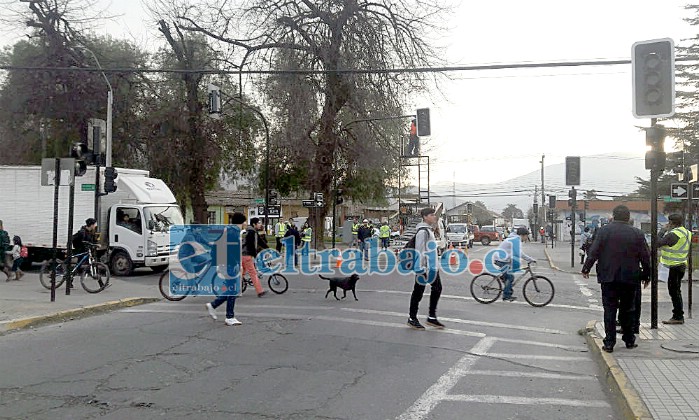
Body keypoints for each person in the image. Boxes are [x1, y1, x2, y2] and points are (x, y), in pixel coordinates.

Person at [581, 205, 650, 353]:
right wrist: (646, 275)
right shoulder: (637, 233)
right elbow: (645, 256)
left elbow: (594, 251)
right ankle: (629, 340)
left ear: (613, 216)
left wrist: (586, 268)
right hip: (630, 278)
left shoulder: (603, 231)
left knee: (609, 309)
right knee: (628, 309)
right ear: (628, 217)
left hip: (608, 277)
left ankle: (609, 343)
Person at [407, 207, 445, 330]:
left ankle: (432, 317)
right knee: (418, 292)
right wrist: (422, 269)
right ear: (425, 217)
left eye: (434, 215)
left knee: (437, 288)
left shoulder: (429, 230)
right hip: (423, 268)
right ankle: (412, 318)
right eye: (432, 215)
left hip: (432, 267)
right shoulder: (423, 232)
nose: (434, 217)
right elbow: (420, 251)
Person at [206, 212, 245, 326]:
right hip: (229, 264)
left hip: (226, 262)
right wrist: (237, 264)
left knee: (231, 289)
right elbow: (232, 250)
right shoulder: (233, 232)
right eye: (244, 221)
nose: (245, 224)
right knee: (233, 289)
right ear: (241, 222)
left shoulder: (229, 230)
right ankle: (229, 316)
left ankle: (214, 305)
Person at [658, 213, 692, 325]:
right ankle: (678, 315)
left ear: (671, 223)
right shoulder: (686, 232)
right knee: (676, 291)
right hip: (681, 264)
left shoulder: (674, 234)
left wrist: (662, 231)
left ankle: (678, 316)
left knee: (674, 291)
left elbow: (657, 242)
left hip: (673, 266)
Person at [494, 227, 536, 302]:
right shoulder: (516, 240)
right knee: (510, 277)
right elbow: (519, 253)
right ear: (522, 235)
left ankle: (504, 278)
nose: (527, 238)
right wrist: (530, 259)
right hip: (500, 260)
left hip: (503, 259)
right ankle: (506, 295)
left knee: (509, 274)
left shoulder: (515, 239)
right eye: (526, 236)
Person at [244, 217, 266, 297]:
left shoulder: (253, 231)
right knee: (253, 273)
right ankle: (259, 291)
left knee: (242, 273)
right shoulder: (251, 232)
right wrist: (255, 254)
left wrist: (268, 248)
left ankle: (236, 289)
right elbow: (250, 245)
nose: (260, 224)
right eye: (259, 223)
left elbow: (260, 241)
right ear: (254, 224)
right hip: (246, 255)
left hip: (244, 255)